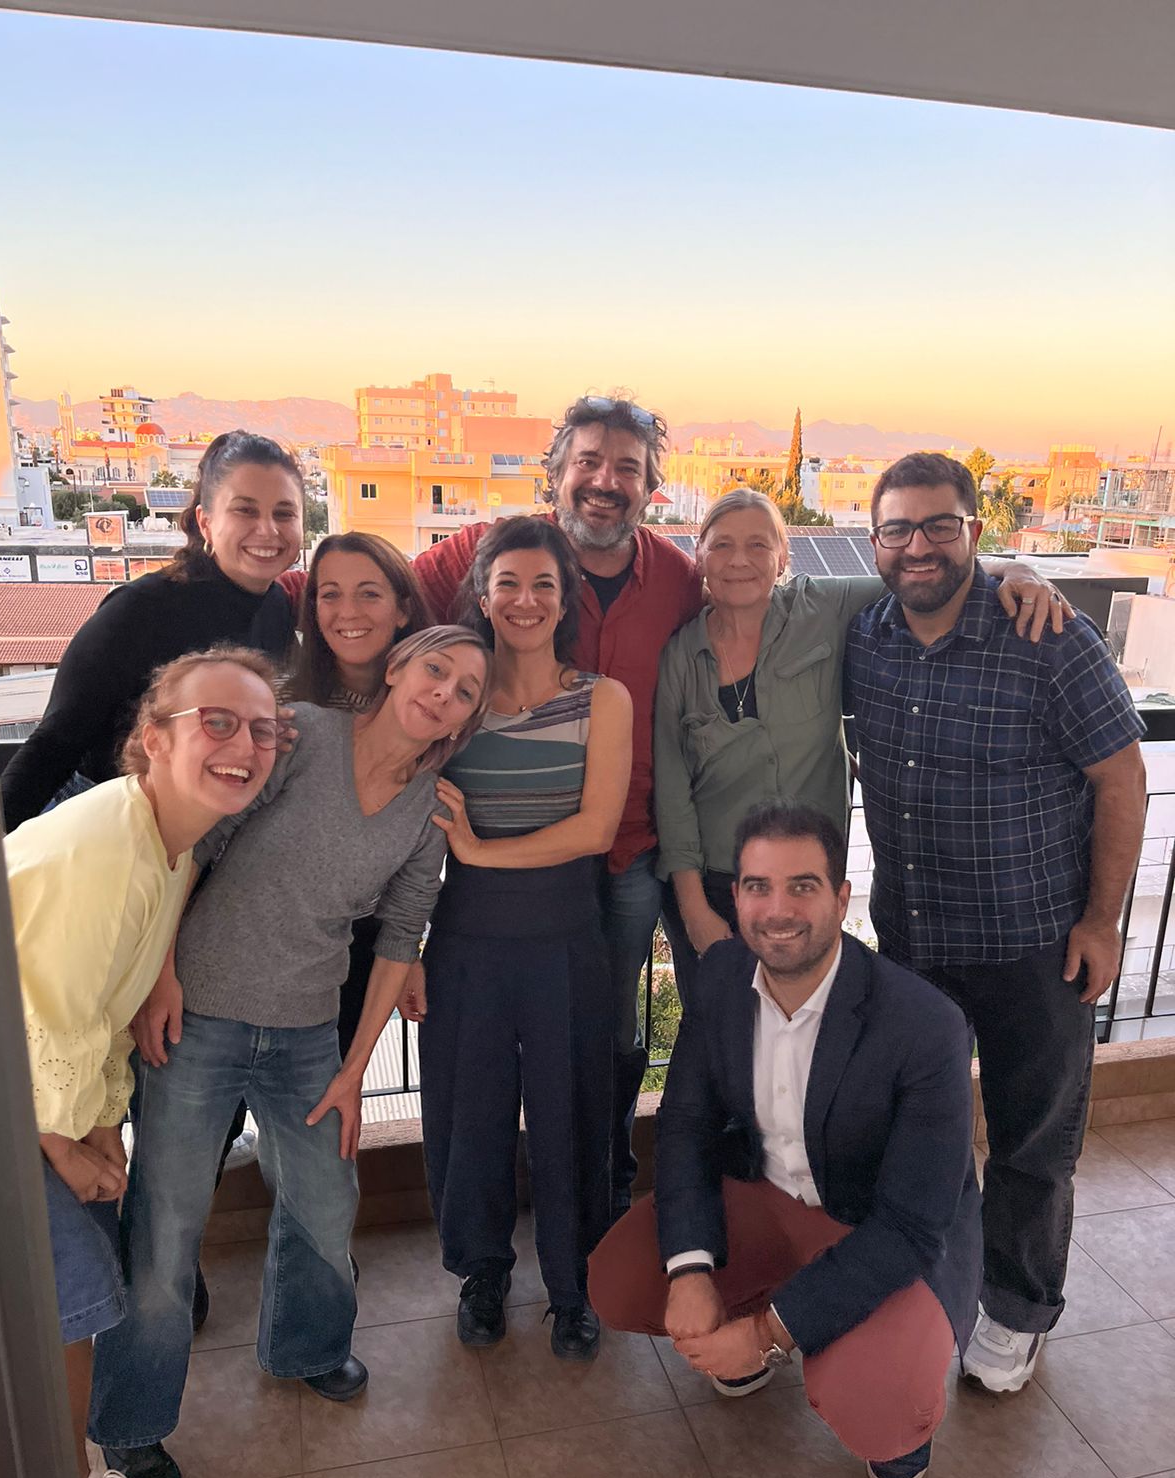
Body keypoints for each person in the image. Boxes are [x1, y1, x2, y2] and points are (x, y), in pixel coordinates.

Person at [88, 626, 492, 1478]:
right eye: (435, 669)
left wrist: (354, 1069)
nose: (444, 693)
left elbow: (400, 939)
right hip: (199, 1012)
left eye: (466, 691)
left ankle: (305, 1347)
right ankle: (130, 1426)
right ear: (396, 667)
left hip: (307, 1029)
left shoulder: (428, 811)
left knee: (325, 1200)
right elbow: (194, 842)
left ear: (466, 721)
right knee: (166, 1226)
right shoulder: (301, 736)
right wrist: (160, 973)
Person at [845, 451, 1147, 1393]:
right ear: (874, 542)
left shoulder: (1050, 639)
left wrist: (1103, 921)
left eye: (941, 525)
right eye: (898, 528)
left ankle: (1017, 1308)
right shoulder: (864, 636)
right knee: (922, 1131)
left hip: (1034, 945)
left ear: (976, 531)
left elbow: (1122, 778)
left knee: (1033, 1139)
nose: (919, 546)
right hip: (914, 943)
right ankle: (940, 1281)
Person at [589, 802, 980, 1478]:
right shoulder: (721, 976)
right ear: (737, 898)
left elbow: (911, 1227)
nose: (778, 910)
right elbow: (686, 1125)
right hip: (768, 1198)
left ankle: (895, 1425)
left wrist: (769, 1331)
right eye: (757, 887)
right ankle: (757, 1313)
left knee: (875, 1400)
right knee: (620, 1281)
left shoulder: (926, 1026)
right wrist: (690, 1268)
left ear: (841, 899)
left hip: (874, 1229)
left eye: (802, 886)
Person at [6, 645, 281, 1478]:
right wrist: (65, 1145)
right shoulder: (104, 852)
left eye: (262, 730)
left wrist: (97, 1125)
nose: (244, 745)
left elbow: (98, 1010)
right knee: (72, 1298)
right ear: (152, 737)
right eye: (217, 722)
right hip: (5, 1092)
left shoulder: (164, 842)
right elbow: (42, 1016)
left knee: (73, 1290)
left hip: (32, 1090)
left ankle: (67, 1477)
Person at [413, 395, 703, 1217]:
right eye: (589, 462)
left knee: (606, 1037)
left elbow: (777, 604)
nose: (605, 481)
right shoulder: (492, 549)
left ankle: (597, 1189)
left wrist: (1009, 573)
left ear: (650, 485)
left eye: (627, 467)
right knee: (503, 1045)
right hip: (511, 870)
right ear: (556, 473)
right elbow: (365, 595)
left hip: (628, 850)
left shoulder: (679, 579)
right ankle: (514, 1215)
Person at [655, 487, 1071, 1009]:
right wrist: (694, 909)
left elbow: (920, 575)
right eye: (722, 545)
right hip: (719, 884)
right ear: (699, 556)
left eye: (759, 545)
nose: (740, 560)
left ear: (782, 557)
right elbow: (672, 790)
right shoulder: (679, 656)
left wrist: (1014, 569)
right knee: (718, 1028)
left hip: (810, 882)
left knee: (807, 1026)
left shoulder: (823, 608)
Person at [412, 517, 631, 1359]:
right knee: (469, 1114)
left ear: (566, 599)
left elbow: (595, 829)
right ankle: (482, 1272)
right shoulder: (455, 704)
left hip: (567, 935)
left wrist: (480, 851)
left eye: (544, 584)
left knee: (573, 1112)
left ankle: (575, 1287)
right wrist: (407, 950)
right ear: (481, 593)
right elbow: (410, 828)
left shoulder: (601, 700)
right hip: (465, 938)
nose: (526, 600)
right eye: (508, 582)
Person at [0, 429, 304, 831]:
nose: (268, 529)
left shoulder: (277, 608)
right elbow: (52, 747)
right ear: (206, 522)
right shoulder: (140, 610)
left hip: (195, 827)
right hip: (102, 824)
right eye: (245, 511)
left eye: (284, 513)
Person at [285, 531, 433, 1057]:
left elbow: (412, 849)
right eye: (330, 595)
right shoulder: (281, 709)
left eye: (369, 593)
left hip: (359, 946)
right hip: (254, 940)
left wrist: (405, 950)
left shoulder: (429, 716)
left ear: (402, 609)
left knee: (331, 1093)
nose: (348, 611)